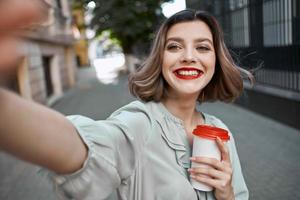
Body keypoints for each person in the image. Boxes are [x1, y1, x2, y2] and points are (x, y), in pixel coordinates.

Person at [0, 8, 252, 200]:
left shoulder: (221, 131)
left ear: (216, 61)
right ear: (160, 59)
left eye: (202, 47)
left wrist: (227, 193)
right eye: (174, 46)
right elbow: (80, 149)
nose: (189, 56)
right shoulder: (138, 123)